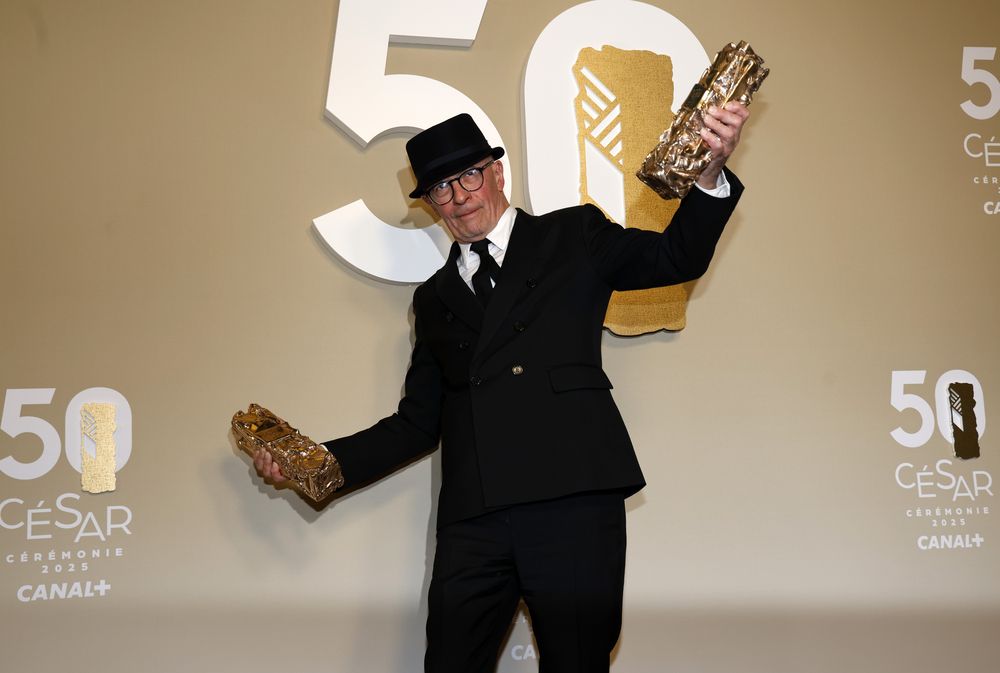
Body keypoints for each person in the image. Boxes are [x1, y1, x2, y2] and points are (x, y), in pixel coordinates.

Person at [254, 104, 750, 673]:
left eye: (468, 175)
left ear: (497, 172)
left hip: (571, 503)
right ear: (430, 206)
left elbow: (674, 257)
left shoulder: (572, 234)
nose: (459, 195)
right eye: (440, 188)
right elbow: (417, 423)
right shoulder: (433, 299)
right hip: (476, 519)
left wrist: (709, 174)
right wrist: (315, 462)